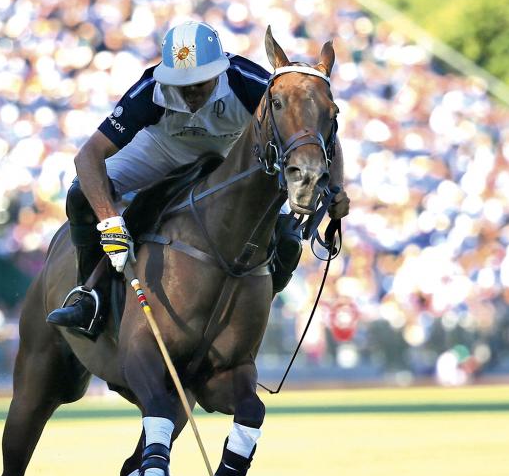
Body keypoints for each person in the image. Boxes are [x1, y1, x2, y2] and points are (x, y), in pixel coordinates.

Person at [47, 21, 348, 334]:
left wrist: (336, 189)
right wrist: (110, 223)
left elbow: (316, 131)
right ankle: (87, 296)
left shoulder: (250, 82)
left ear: (218, 72)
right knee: (81, 194)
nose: (190, 91)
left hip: (228, 156)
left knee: (288, 239)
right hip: (161, 149)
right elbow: (88, 155)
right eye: (182, 83)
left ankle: (254, 303)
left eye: (199, 82)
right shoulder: (151, 88)